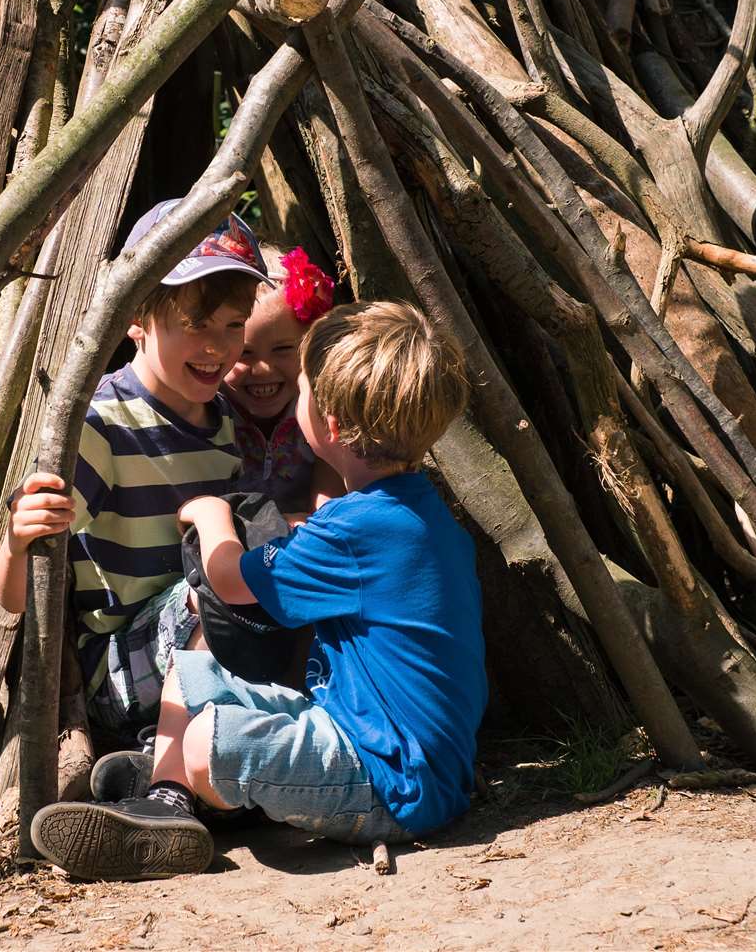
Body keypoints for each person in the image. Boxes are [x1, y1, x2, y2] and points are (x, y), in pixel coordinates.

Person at [28, 301, 485, 881]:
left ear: (331, 426)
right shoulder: (416, 515)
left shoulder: (352, 531)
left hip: (393, 784)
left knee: (208, 741)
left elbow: (230, 583)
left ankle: (183, 783)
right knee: (194, 677)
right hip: (367, 736)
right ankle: (165, 802)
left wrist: (212, 514)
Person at [0, 199, 271, 736]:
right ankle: (169, 767)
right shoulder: (102, 427)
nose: (217, 347)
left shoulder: (229, 425)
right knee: (214, 585)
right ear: (136, 321)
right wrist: (18, 542)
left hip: (216, 650)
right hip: (121, 670)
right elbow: (12, 598)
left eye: (234, 325)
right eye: (194, 325)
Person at [222, 244, 346, 513]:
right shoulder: (208, 409)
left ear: (309, 343)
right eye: (244, 353)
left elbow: (329, 503)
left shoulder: (322, 407)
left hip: (306, 541)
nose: (264, 369)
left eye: (282, 349)